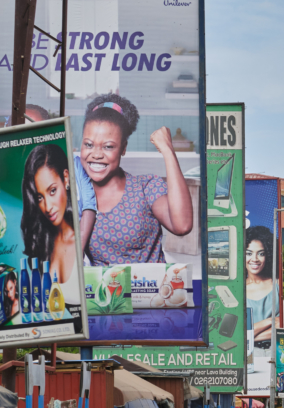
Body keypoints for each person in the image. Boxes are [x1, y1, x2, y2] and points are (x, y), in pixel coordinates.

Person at [79, 94, 193, 264]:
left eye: (108, 146)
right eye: (88, 144)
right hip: (103, 290)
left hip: (151, 289)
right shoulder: (75, 193)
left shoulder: (145, 187)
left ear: (123, 148)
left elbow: (182, 226)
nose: (96, 154)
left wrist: (168, 151)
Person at [21, 143, 89, 304]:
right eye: (40, 197)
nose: (48, 207)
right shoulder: (41, 242)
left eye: (52, 191)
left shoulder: (86, 231)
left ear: (66, 178)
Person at [245, 226, 279, 345]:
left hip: (274, 356)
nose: (254, 259)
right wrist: (270, 321)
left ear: (268, 255)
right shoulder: (236, 290)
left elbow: (282, 328)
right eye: (249, 253)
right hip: (244, 358)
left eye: (261, 253)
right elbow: (233, 334)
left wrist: (247, 336)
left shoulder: (278, 285)